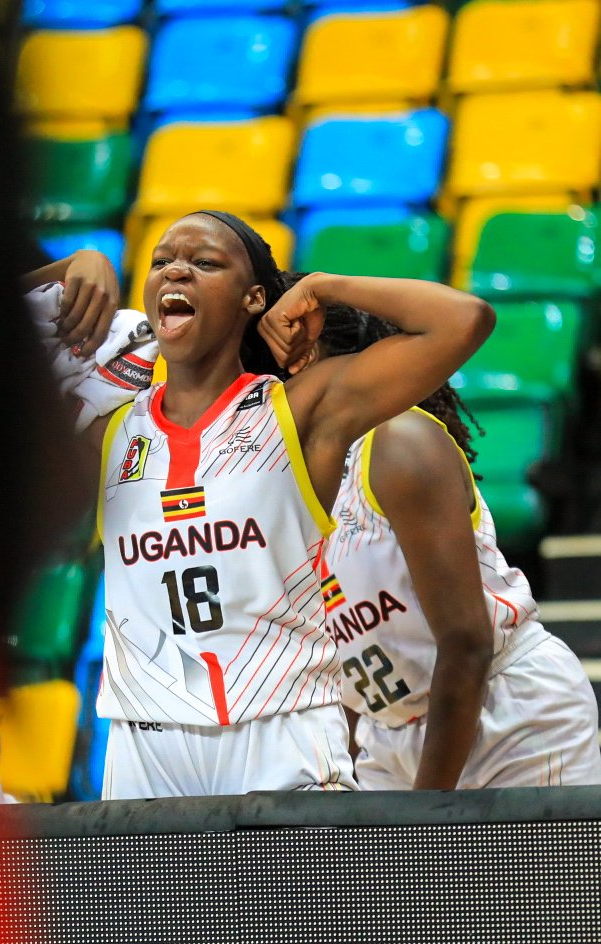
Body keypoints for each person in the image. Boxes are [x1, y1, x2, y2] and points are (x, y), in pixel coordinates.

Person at [27, 210, 494, 799]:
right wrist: (74, 267)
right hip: (146, 742)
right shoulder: (110, 430)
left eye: (204, 262)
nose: (176, 270)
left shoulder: (296, 413)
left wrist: (323, 286)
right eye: (162, 259)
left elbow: (464, 321)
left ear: (252, 298)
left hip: (282, 732)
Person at [278, 272, 601, 790]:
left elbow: (466, 642)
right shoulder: (282, 483)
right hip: (393, 733)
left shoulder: (397, 443)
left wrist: (427, 817)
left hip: (508, 714)